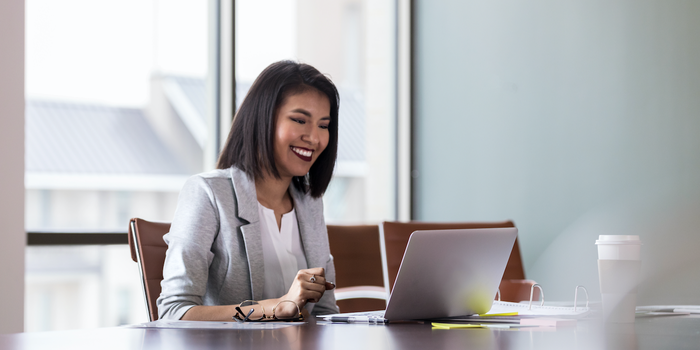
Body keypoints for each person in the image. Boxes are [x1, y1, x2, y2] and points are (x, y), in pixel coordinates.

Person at [157, 60, 340, 321]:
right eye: (300, 120)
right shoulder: (207, 194)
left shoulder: (310, 203)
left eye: (323, 125)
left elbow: (324, 312)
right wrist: (276, 307)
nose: (314, 137)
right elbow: (173, 313)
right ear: (263, 119)